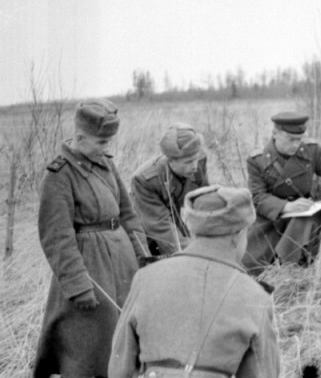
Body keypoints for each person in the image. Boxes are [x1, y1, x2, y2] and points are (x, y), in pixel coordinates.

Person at [108, 185, 281, 378]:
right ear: (239, 235)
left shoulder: (146, 278)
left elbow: (120, 363)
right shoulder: (255, 295)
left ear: (192, 230)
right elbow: (263, 372)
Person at [33, 99, 149, 378]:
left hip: (123, 262)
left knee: (126, 337)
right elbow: (57, 237)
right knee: (88, 347)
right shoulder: (59, 175)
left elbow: (127, 213)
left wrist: (144, 257)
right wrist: (77, 286)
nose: (106, 148)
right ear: (80, 137)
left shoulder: (106, 164)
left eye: (108, 142)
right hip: (90, 269)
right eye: (101, 142)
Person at [241, 111, 321, 275]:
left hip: (305, 213)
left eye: (299, 139)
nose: (296, 144)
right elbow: (257, 197)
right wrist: (286, 206)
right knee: (248, 263)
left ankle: (289, 269)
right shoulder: (258, 160)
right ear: (275, 134)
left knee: (301, 229)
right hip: (273, 217)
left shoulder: (311, 151)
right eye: (291, 139)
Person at [130, 122, 209, 256]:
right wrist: (194, 253)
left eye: (195, 159)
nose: (195, 166)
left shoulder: (199, 161)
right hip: (149, 231)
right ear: (170, 160)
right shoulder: (145, 180)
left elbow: (205, 204)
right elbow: (161, 227)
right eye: (188, 162)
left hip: (178, 227)